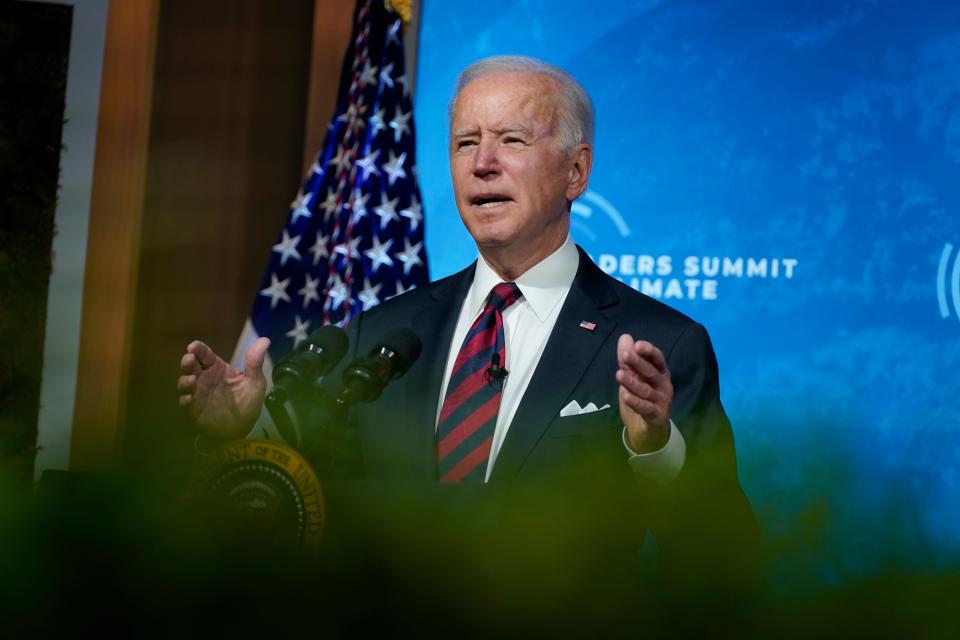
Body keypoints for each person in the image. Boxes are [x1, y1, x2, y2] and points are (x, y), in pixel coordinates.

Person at [177, 55, 759, 625]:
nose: (482, 164)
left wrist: (655, 449)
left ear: (576, 172)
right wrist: (241, 436)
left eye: (511, 140)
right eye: (464, 143)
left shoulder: (661, 343)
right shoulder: (382, 334)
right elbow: (306, 519)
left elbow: (721, 562)